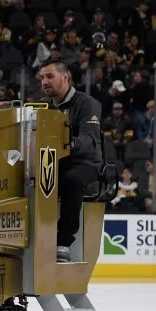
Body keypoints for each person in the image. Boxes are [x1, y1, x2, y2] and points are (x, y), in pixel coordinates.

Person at [38, 60, 103, 263]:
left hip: (85, 164)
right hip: (53, 162)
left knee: (71, 180)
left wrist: (67, 143)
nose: (44, 82)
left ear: (65, 76)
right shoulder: (43, 106)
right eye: (42, 78)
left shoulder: (86, 104)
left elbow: (90, 141)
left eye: (50, 76)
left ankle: (63, 242)